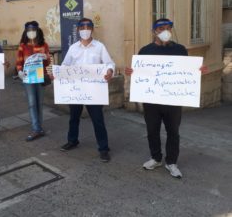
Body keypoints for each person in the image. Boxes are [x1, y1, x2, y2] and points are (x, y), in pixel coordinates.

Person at [125, 18, 208, 178]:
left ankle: (171, 162)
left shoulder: (180, 49)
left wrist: (198, 71)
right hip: (151, 100)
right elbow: (140, 72)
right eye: (161, 28)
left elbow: (187, 70)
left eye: (168, 28)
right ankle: (156, 158)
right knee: (152, 130)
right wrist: (132, 73)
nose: (165, 31)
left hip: (173, 100)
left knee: (173, 132)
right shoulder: (145, 51)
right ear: (154, 31)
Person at [59, 17, 115, 162]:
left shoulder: (99, 47)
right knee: (73, 118)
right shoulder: (73, 48)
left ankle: (103, 148)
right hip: (76, 90)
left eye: (88, 27)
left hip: (94, 91)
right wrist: (58, 74)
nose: (85, 30)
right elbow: (65, 65)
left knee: (98, 120)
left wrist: (109, 71)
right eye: (82, 28)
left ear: (92, 29)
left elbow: (109, 63)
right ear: (78, 30)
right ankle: (72, 140)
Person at [16, 21, 51, 141]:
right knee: (32, 103)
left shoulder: (43, 45)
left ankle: (39, 128)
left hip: (40, 77)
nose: (31, 33)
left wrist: (46, 57)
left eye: (33, 30)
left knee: (39, 103)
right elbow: (19, 62)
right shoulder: (23, 46)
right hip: (28, 78)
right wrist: (20, 72)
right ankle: (36, 129)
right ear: (26, 32)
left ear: (37, 31)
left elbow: (47, 62)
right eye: (29, 31)